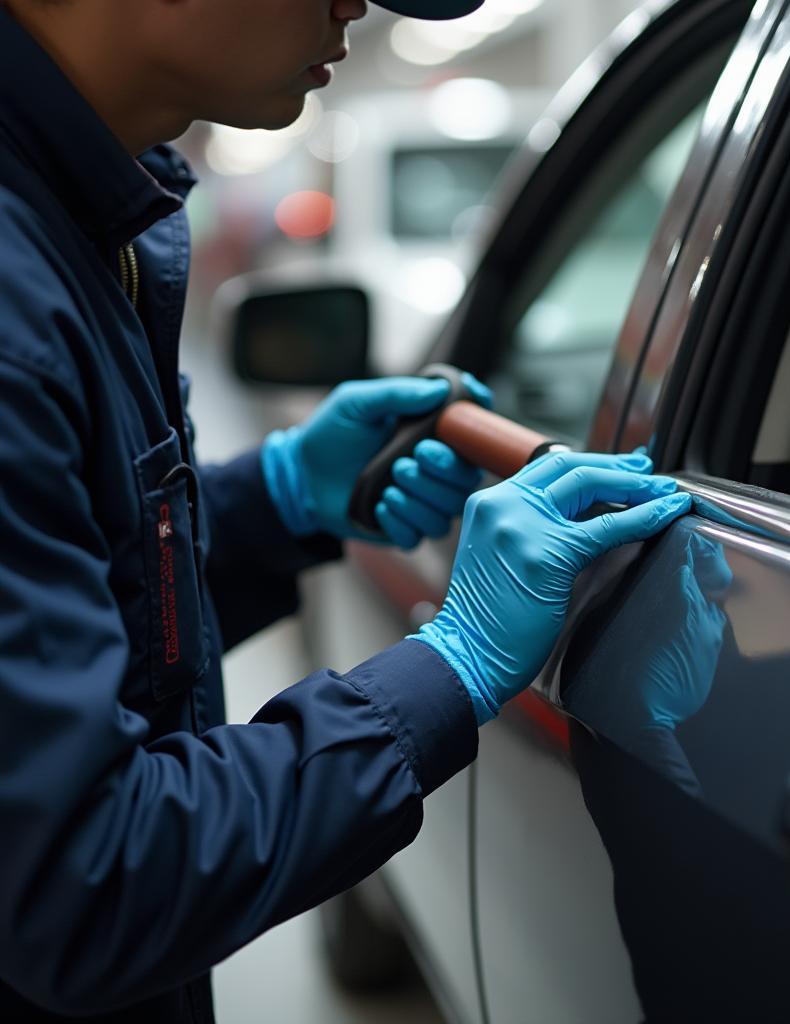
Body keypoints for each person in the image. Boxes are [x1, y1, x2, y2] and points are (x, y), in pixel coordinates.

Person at [0, 0, 692, 1020]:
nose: (354, 8)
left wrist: (274, 505)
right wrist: (448, 664)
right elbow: (84, 880)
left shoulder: (81, 223)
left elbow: (74, 608)